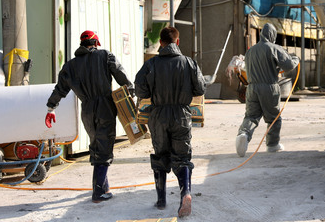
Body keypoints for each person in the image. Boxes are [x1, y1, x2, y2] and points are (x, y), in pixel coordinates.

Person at [45, 30, 134, 203]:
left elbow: (60, 90)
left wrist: (51, 108)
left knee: (96, 144)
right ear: (96, 43)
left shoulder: (70, 66)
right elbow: (121, 75)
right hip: (105, 107)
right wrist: (131, 94)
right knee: (105, 146)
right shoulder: (105, 56)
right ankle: (99, 192)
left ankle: (102, 186)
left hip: (86, 109)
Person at [134, 26, 206, 218]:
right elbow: (200, 89)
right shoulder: (189, 63)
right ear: (177, 42)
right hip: (182, 114)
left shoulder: (151, 64)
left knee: (161, 155)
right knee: (182, 157)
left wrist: (151, 92)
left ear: (161, 43)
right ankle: (186, 193)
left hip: (158, 115)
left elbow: (140, 88)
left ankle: (161, 200)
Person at [235, 23, 300, 158]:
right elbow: (288, 66)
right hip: (269, 87)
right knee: (274, 118)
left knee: (251, 116)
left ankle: (244, 134)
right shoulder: (274, 48)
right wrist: (296, 59)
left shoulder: (250, 51)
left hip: (251, 88)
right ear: (272, 35)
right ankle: (272, 145)